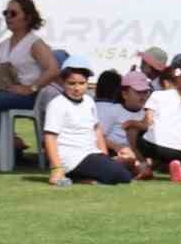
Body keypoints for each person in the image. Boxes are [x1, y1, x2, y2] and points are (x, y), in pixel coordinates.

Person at [0, 0, 59, 168]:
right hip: (5, 92)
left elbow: (53, 69)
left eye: (13, 13)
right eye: (6, 13)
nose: (8, 17)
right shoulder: (4, 44)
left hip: (28, 96)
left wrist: (31, 87)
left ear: (28, 17)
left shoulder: (34, 43)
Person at [42, 57, 133, 186]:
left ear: (87, 82)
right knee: (123, 175)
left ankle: (80, 178)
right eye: (71, 83)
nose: (77, 88)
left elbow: (96, 129)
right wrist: (56, 168)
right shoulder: (57, 104)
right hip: (70, 158)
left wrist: (104, 156)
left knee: (127, 167)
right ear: (63, 82)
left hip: (90, 153)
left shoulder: (89, 101)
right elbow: (50, 137)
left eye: (81, 83)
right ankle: (72, 176)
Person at [139, 64, 181, 182]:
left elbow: (147, 122)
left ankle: (144, 167)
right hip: (179, 153)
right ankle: (176, 164)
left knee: (135, 132)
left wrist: (131, 124)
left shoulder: (157, 95)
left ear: (166, 83)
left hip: (152, 148)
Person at [97, 69, 152, 177]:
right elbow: (99, 136)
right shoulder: (113, 110)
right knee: (126, 161)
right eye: (138, 92)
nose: (143, 96)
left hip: (137, 154)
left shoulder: (146, 113)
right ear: (124, 94)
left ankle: (139, 168)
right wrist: (117, 147)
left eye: (145, 92)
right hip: (115, 151)